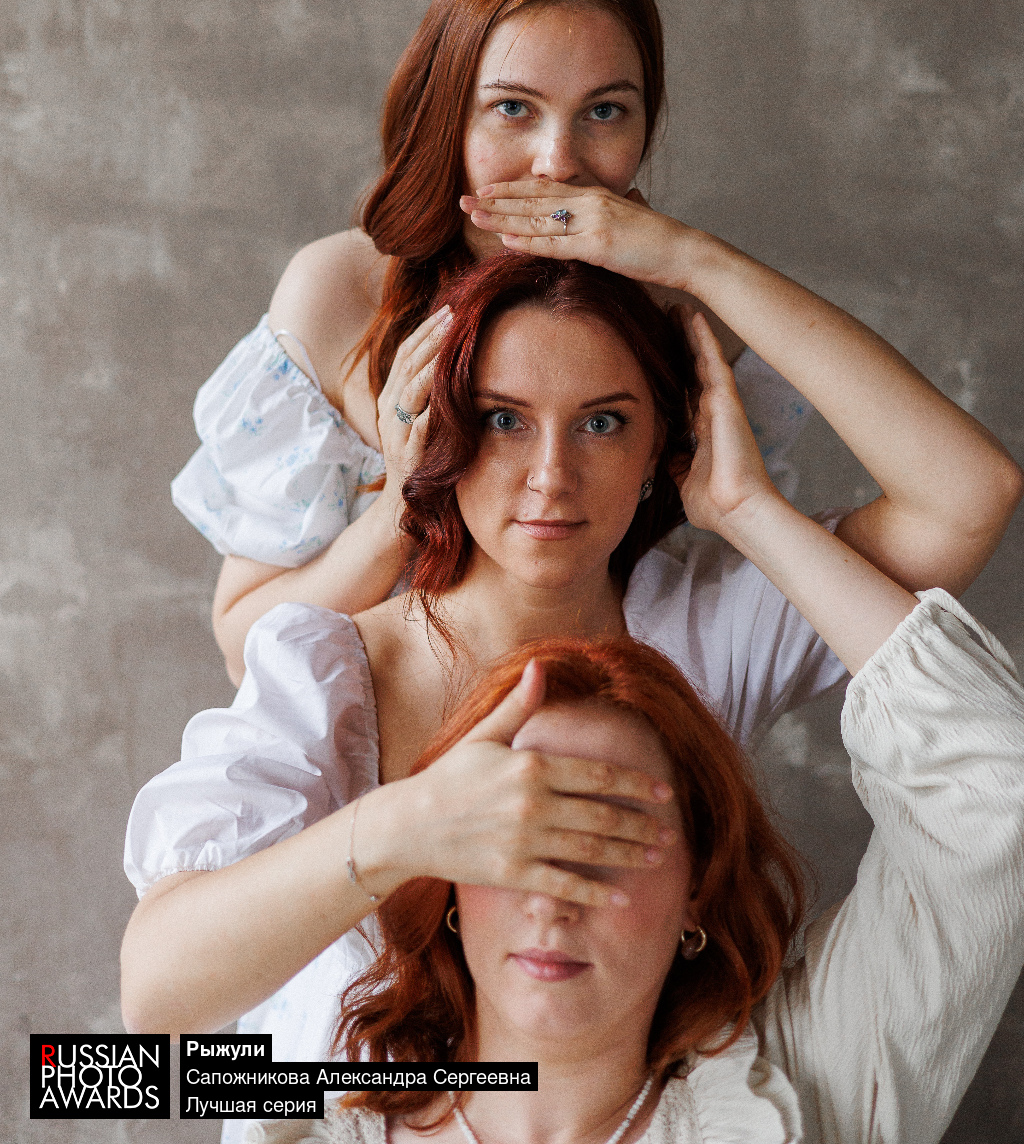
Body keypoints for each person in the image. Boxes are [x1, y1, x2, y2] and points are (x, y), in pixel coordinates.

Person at [122, 254, 1019, 1084]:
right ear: (440, 430)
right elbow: (149, 1016)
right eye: (503, 420)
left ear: (660, 446)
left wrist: (743, 494)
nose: (550, 476)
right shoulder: (325, 668)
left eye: (601, 422)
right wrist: (410, 829)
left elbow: (971, 500)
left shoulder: (709, 622)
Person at [169, 0, 1022, 684]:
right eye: (513, 108)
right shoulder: (344, 295)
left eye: (605, 112)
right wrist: (402, 501)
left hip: (621, 713)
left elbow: (963, 500)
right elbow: (248, 650)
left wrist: (699, 262)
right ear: (448, 112)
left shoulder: (682, 319)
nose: (558, 163)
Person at [248, 591, 1024, 1144]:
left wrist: (747, 511)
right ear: (449, 880)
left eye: (610, 843)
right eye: (520, 836)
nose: (553, 902)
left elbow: (992, 786)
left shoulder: (811, 1083)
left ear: (697, 891)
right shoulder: (298, 1097)